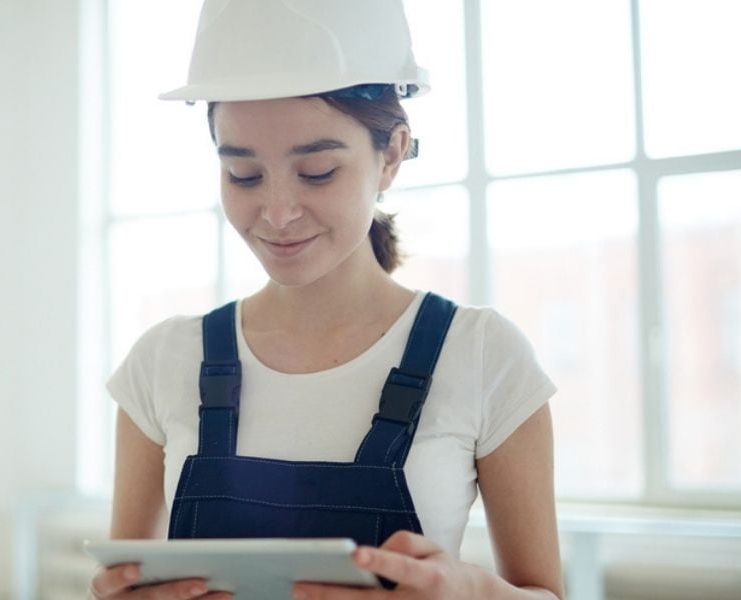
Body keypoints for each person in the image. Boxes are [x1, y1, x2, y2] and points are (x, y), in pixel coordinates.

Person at [90, 1, 562, 598]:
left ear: (391, 154)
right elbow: (126, 583)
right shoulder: (162, 363)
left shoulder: (483, 356)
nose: (278, 213)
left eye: (316, 172)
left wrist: (472, 592)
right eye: (243, 175)